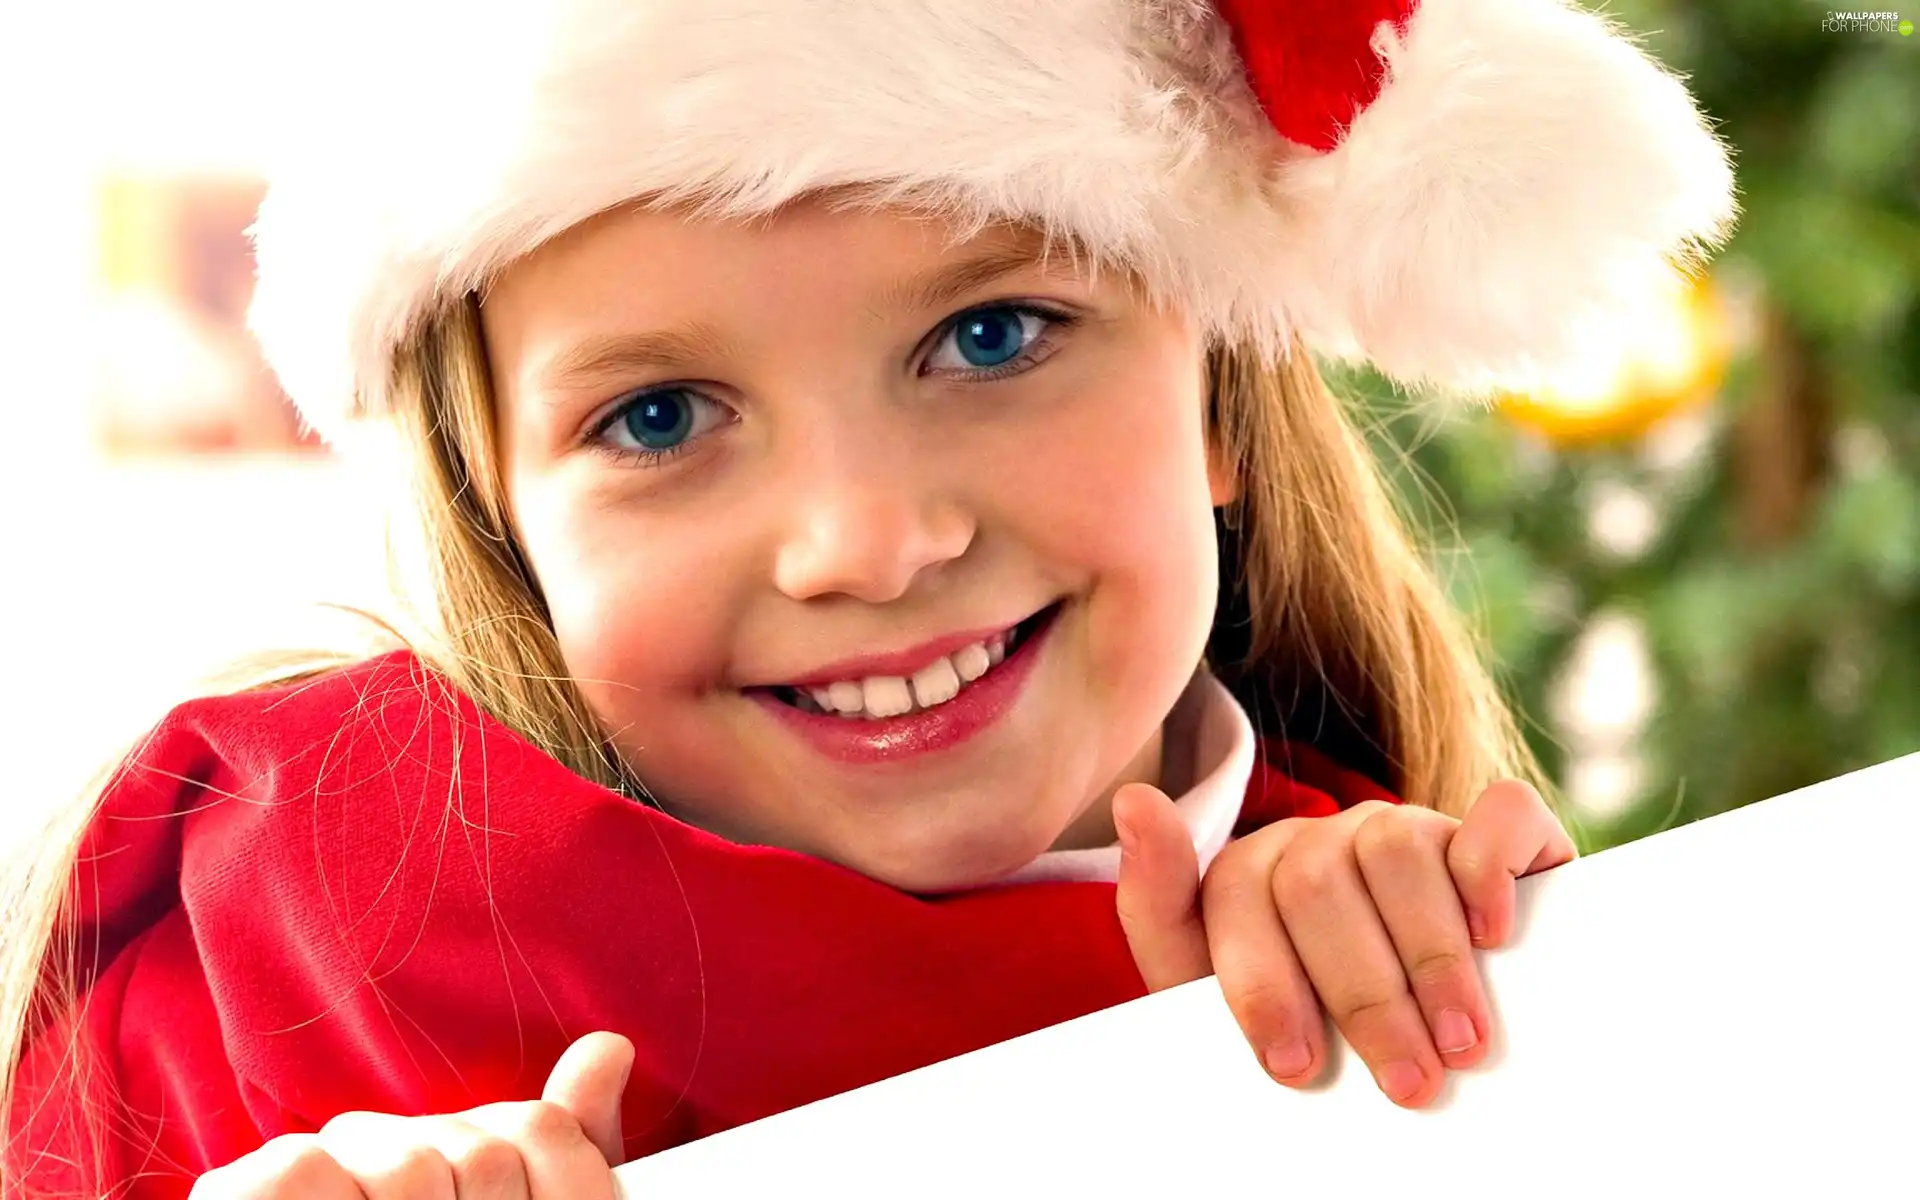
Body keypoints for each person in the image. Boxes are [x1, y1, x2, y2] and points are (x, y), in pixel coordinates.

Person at [2, 0, 1733, 1195]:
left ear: (1216, 395)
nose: (865, 544)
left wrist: (1449, 1012)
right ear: (504, 521)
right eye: (658, 418)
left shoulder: (1386, 918)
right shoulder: (263, 977)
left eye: (992, 337)